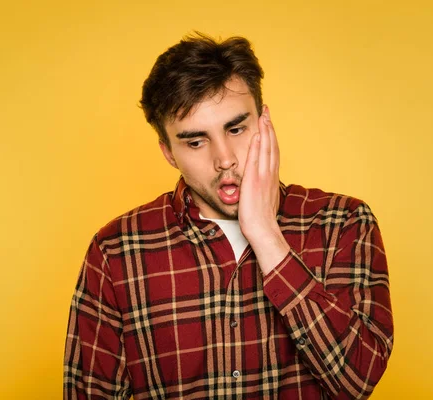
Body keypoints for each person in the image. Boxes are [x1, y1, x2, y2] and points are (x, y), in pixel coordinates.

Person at [63, 33, 393, 399]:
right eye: (195, 141)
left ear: (264, 121)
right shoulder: (115, 252)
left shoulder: (343, 224)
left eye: (236, 129)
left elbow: (357, 381)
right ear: (168, 153)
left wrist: (267, 236)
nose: (225, 159)